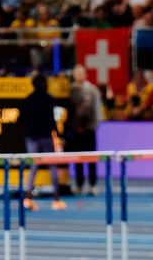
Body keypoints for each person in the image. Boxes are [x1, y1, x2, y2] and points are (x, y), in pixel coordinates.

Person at [19, 71, 67, 209]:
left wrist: (29, 127)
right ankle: (56, 198)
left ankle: (28, 197)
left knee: (33, 167)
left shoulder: (28, 100)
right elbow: (52, 120)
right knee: (52, 167)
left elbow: (21, 119)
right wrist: (57, 134)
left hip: (33, 137)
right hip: (45, 137)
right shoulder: (49, 99)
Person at [65, 65, 103, 194]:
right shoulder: (70, 90)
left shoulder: (92, 90)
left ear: (86, 74)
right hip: (75, 130)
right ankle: (79, 184)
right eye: (77, 73)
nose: (79, 75)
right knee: (77, 158)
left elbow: (97, 109)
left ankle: (93, 185)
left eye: (82, 73)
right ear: (74, 75)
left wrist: (95, 125)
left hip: (89, 130)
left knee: (91, 158)